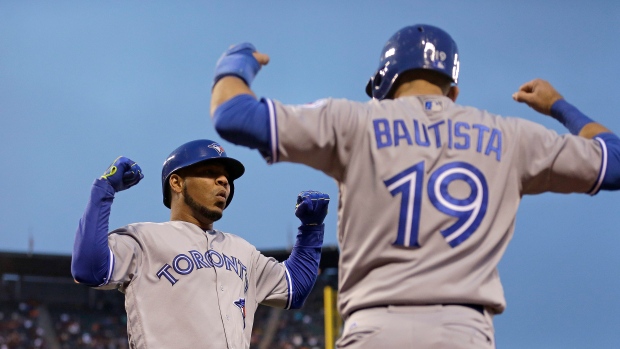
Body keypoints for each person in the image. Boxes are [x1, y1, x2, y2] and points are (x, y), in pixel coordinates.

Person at [209, 24, 620, 349]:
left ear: (384, 86)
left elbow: (233, 114)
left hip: (375, 326)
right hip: (465, 330)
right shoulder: (513, 138)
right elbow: (614, 162)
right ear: (453, 91)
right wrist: (557, 105)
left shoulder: (354, 121)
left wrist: (236, 61)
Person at [71, 139, 330, 349]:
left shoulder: (243, 251)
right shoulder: (143, 239)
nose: (224, 181)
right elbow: (89, 269)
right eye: (209, 172)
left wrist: (311, 229)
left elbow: (295, 288)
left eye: (226, 177)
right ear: (177, 182)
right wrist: (103, 190)